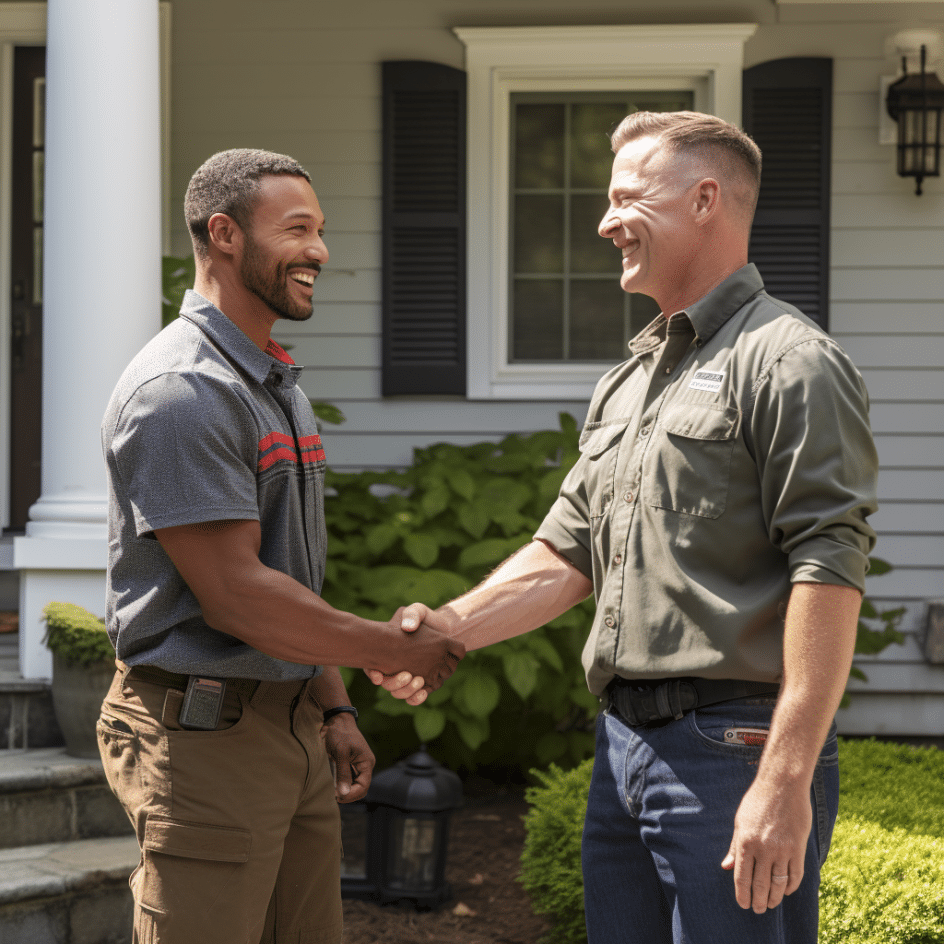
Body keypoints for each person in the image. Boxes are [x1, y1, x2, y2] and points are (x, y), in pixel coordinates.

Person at [372, 112, 878, 944]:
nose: (605, 222)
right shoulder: (629, 381)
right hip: (624, 752)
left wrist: (785, 776)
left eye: (626, 199)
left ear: (706, 199)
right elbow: (567, 549)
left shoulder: (788, 360)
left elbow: (830, 561)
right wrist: (447, 630)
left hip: (733, 750)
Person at [98, 148, 465, 944]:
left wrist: (332, 704)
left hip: (289, 725)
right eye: (297, 230)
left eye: (322, 231)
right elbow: (237, 596)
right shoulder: (184, 392)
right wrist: (388, 649)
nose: (320, 253)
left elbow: (285, 575)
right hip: (205, 742)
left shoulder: (270, 383)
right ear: (224, 234)